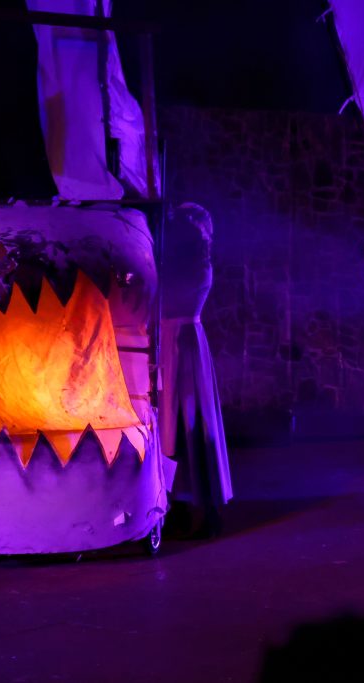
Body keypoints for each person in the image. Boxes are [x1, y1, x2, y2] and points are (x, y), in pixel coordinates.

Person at [159, 203, 233, 538]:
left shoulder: (194, 267)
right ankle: (177, 508)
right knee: (175, 427)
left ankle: (200, 510)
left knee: (189, 425)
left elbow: (172, 295)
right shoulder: (188, 264)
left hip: (183, 343)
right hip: (174, 341)